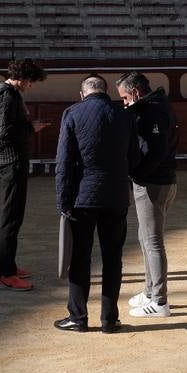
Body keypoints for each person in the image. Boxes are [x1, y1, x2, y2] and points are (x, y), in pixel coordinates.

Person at [53, 75, 138, 334]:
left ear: (82, 94)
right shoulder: (124, 114)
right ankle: (109, 320)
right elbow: (134, 155)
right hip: (116, 195)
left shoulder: (73, 113)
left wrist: (63, 200)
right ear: (106, 91)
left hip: (83, 197)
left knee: (80, 257)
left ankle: (78, 318)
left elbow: (64, 162)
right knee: (113, 258)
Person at [0, 58, 49, 291]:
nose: (31, 86)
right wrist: (31, 128)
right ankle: (6, 273)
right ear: (24, 78)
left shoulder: (7, 95)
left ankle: (8, 265)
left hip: (11, 160)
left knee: (14, 216)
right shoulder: (7, 96)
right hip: (11, 161)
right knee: (11, 217)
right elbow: (4, 133)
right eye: (31, 81)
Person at [117, 72, 179, 318]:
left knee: (152, 241)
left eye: (124, 97)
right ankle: (150, 291)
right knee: (146, 239)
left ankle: (160, 301)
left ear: (134, 92)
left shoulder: (152, 110)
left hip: (153, 183)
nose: (123, 103)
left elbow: (155, 151)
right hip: (161, 180)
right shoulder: (157, 105)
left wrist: (135, 173)